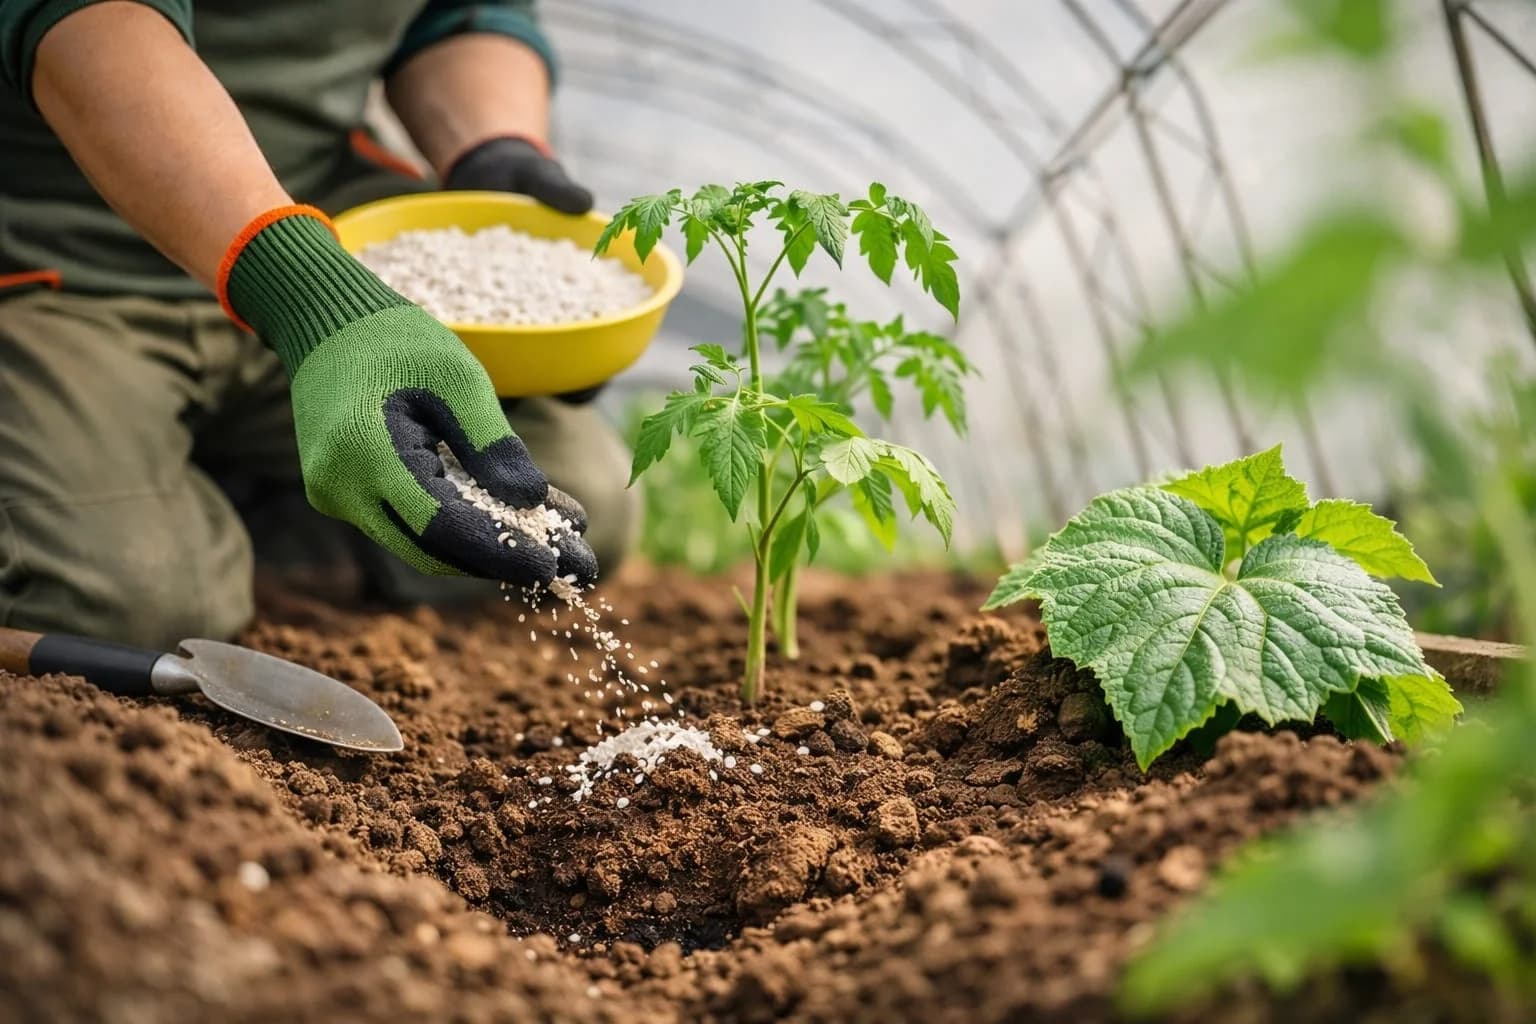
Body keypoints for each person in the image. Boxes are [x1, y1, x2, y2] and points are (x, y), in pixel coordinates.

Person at [0, 0, 639, 650]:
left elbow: (460, 12)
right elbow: (84, 25)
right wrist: (315, 300)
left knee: (577, 499)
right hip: (64, 267)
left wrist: (491, 147)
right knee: (125, 605)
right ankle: (157, 516)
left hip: (332, 222)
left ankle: (253, 518)